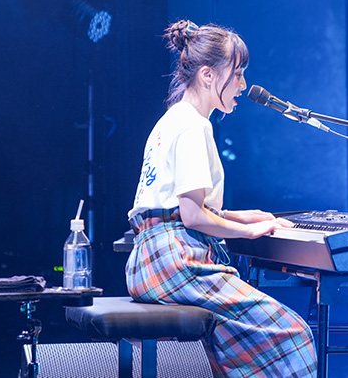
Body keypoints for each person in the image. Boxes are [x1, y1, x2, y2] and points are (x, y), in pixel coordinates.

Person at [126, 20, 317, 377]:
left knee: (232, 347)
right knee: (294, 334)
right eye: (238, 73)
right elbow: (192, 217)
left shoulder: (172, 120)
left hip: (150, 261)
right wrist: (249, 231)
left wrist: (243, 216)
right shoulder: (194, 125)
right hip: (177, 261)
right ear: (208, 75)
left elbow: (176, 208)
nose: (243, 85)